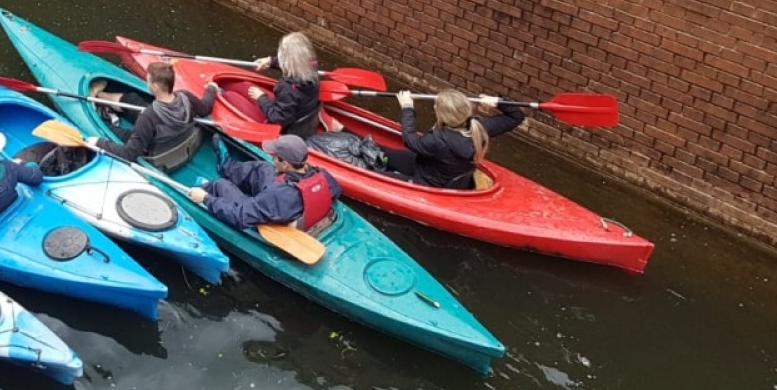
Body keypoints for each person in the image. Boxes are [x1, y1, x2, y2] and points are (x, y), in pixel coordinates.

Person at [374, 90, 525, 190]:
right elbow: (516, 116)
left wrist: (407, 108)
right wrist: (499, 102)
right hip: (434, 170)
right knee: (382, 150)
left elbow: (410, 141)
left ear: (441, 114)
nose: (434, 106)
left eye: (435, 106)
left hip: (429, 184)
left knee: (376, 178)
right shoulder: (480, 126)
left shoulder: (436, 140)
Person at [188, 134, 341, 231]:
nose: (273, 159)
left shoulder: (276, 196)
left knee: (221, 184)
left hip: (269, 216)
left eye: (275, 157)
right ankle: (227, 167)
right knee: (264, 168)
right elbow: (335, 191)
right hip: (285, 202)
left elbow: (239, 217)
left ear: (286, 164)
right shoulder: (322, 175)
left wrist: (206, 199)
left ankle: (203, 189)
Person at [100, 61, 220, 163]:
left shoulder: (148, 117)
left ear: (155, 87)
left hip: (160, 153)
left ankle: (104, 117)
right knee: (132, 99)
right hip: (180, 138)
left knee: (122, 133)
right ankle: (99, 95)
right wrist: (211, 88)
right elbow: (205, 108)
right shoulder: (185, 96)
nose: (147, 84)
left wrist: (98, 143)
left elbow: (129, 154)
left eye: (148, 81)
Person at [248, 31, 323, 136]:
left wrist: (261, 98)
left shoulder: (287, 89)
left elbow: (277, 120)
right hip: (305, 122)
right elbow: (295, 62)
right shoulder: (313, 68)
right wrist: (271, 61)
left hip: (290, 131)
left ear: (286, 62)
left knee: (236, 93)